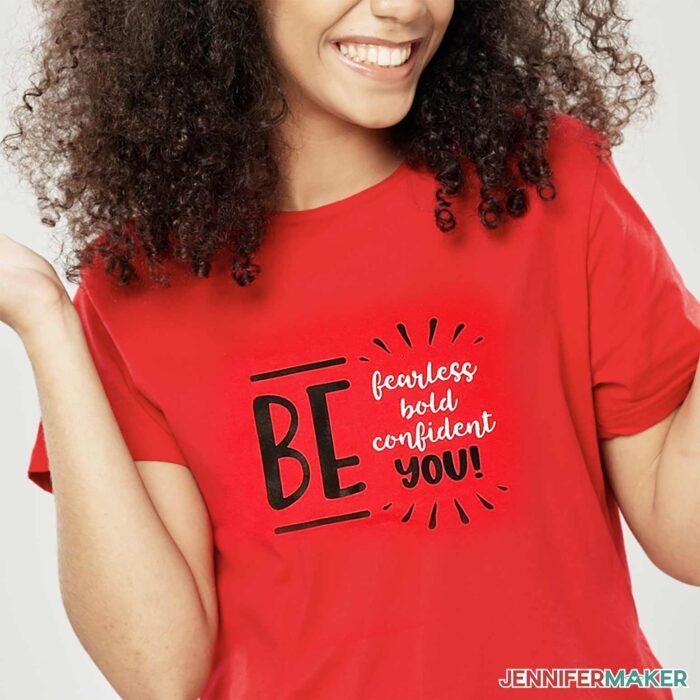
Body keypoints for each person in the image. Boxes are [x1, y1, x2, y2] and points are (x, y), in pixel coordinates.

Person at [1, 0, 698, 698]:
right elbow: (160, 671)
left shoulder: (546, 180)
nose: (401, 9)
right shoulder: (139, 284)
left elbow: (686, 532)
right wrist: (45, 321)